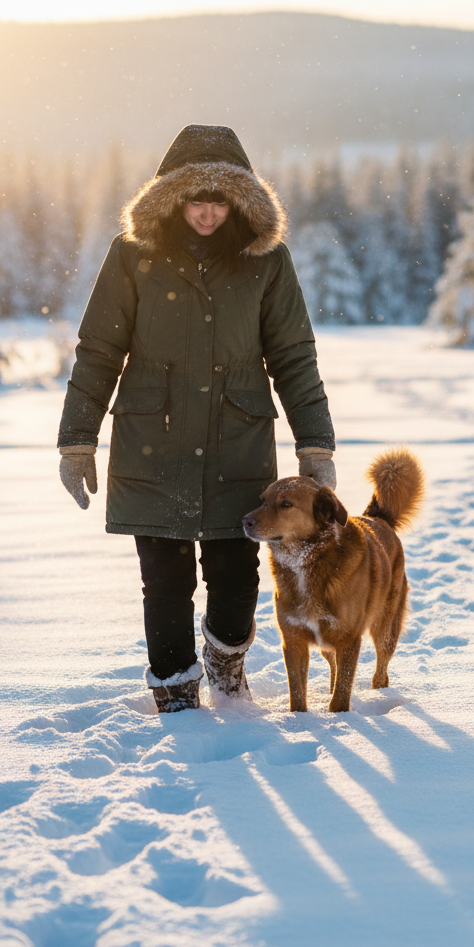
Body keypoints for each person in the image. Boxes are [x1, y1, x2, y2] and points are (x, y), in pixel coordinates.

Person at [57, 124, 336, 713]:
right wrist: (78, 439)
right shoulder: (132, 257)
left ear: (239, 201)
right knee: (164, 581)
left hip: (238, 446)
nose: (207, 213)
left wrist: (315, 444)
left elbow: (292, 355)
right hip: (150, 441)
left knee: (236, 581)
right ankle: (175, 692)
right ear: (173, 199)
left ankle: (226, 657)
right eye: (195, 200)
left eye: (219, 200)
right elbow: (99, 349)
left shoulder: (267, 262)